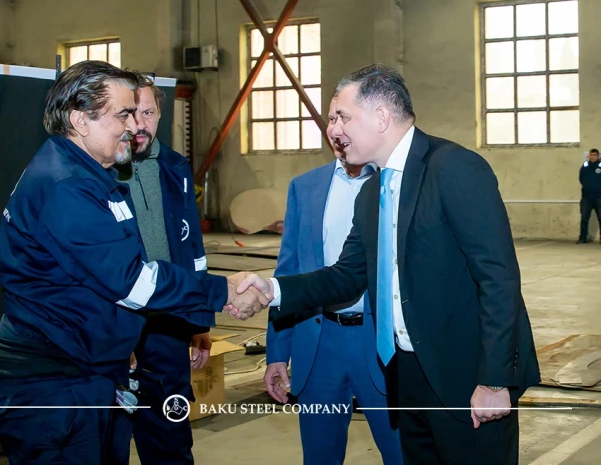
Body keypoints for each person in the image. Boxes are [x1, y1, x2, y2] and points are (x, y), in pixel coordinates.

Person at [233, 64, 540, 465]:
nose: (333, 130)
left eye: (342, 117)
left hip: (466, 379)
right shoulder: (373, 192)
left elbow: (498, 279)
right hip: (406, 377)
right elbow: (346, 276)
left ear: (380, 117)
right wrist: (272, 289)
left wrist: (495, 381)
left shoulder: (453, 168)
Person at [0, 61, 266, 465]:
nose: (134, 126)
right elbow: (134, 282)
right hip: (55, 383)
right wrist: (224, 291)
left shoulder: (90, 177)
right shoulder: (68, 188)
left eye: (138, 113)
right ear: (80, 120)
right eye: (123, 115)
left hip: (88, 370)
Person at [264, 96, 402, 465]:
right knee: (320, 455)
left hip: (381, 344)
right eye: (331, 119)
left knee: (401, 453)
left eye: (345, 118)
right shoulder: (305, 187)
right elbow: (288, 272)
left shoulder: (395, 183)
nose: (336, 130)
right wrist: (277, 353)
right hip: (319, 342)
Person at [112, 73, 212, 464]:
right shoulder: (100, 169)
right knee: (108, 441)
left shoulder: (175, 166)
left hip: (168, 326)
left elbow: (194, 250)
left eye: (149, 113)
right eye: (130, 113)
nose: (140, 124)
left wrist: (199, 321)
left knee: (170, 441)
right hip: (116, 327)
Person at [577, 148, 601, 244]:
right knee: (584, 218)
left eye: (595, 155)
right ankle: (583, 238)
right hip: (586, 198)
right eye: (591, 155)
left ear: (598, 156)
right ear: (588, 156)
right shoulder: (585, 166)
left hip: (599, 197)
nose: (592, 157)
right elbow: (581, 179)